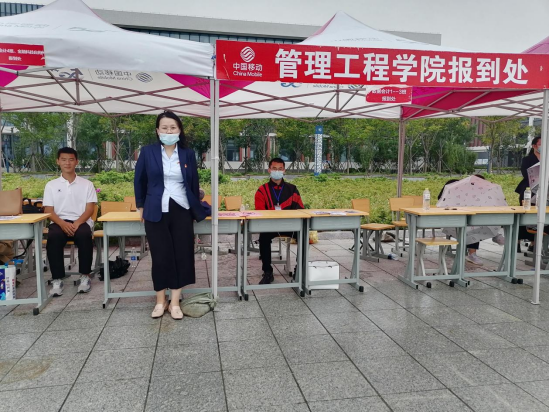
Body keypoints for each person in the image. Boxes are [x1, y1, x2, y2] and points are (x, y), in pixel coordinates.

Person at [134, 111, 206, 320]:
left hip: (181, 208)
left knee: (182, 254)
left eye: (173, 127)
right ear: (158, 130)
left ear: (179, 130)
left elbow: (193, 182)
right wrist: (140, 206)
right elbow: (139, 180)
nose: (169, 131)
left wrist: (195, 206)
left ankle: (175, 302)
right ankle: (160, 301)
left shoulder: (187, 153)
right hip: (155, 209)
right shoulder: (148, 152)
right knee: (160, 255)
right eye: (164, 127)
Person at [43, 148, 97, 296]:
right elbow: (49, 210)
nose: (67, 163)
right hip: (59, 222)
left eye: (71, 159)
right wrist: (62, 224)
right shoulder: (51, 185)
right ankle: (57, 279)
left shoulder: (87, 184)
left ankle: (85, 276)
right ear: (58, 161)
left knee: (85, 235)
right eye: (64, 159)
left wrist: (77, 223)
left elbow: (90, 209)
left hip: (80, 221)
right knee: (54, 237)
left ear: (76, 162)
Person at [254, 158, 304, 284]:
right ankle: (267, 272)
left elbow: (300, 210)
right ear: (269, 170)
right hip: (270, 226)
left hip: (290, 226)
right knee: (263, 238)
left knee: (303, 236)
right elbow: (260, 213)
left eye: (280, 169)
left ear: (284, 170)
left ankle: (299, 270)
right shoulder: (262, 190)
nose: (277, 171)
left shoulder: (292, 189)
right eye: (274, 168)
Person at [438, 176, 505, 267]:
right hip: (452, 219)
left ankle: (494, 235)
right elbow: (441, 201)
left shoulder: (476, 194)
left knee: (476, 222)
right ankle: (473, 253)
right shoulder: (453, 184)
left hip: (466, 220)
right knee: (473, 227)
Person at [516, 135, 542, 249]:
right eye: (540, 144)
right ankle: (517, 241)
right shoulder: (527, 159)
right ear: (534, 146)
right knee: (525, 215)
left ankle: (533, 243)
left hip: (543, 191)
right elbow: (525, 174)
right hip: (528, 190)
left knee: (538, 216)